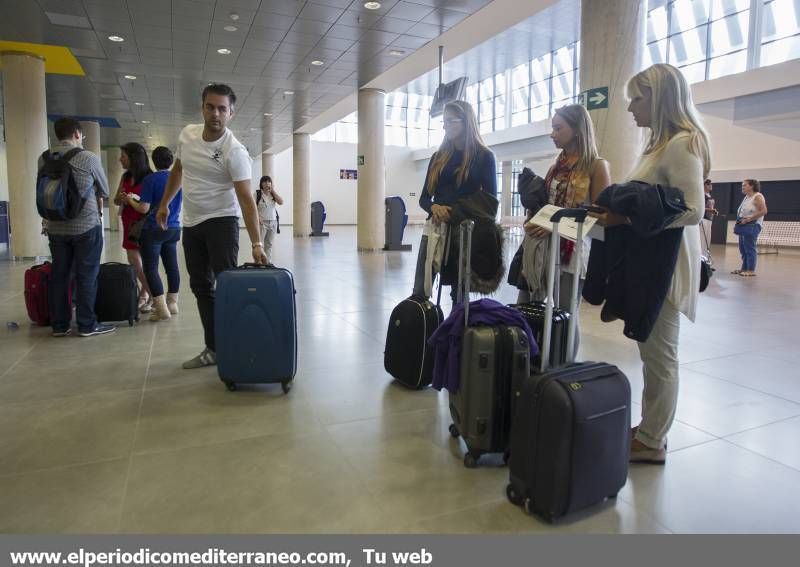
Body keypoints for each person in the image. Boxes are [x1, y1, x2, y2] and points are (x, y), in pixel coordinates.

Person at [594, 63, 711, 464]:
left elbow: (693, 210)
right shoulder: (658, 145)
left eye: (637, 99)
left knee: (661, 353)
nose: (630, 109)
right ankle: (649, 428)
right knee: (651, 349)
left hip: (667, 264)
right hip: (651, 259)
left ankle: (654, 438)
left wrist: (627, 216)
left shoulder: (683, 143)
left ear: (659, 98)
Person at [156, 83, 267, 369]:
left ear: (231, 113)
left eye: (222, 109)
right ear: (202, 107)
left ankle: (237, 347)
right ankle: (214, 348)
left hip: (222, 222)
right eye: (210, 107)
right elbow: (178, 170)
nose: (215, 113)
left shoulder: (235, 152)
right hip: (192, 224)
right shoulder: (188, 135)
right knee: (201, 287)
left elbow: (246, 200)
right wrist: (165, 203)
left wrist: (256, 244)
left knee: (227, 287)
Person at [519, 104, 611, 350]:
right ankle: (530, 362)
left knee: (566, 313)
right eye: (553, 128)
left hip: (572, 251)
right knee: (527, 305)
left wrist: (555, 225)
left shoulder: (596, 166)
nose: (552, 134)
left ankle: (564, 368)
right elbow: (547, 206)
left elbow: (601, 218)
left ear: (578, 130)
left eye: (558, 128)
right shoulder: (554, 167)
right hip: (542, 248)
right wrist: (533, 218)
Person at [418, 100, 497, 302]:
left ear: (466, 121)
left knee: (460, 296)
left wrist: (453, 212)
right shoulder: (438, 157)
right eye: (443, 121)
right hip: (435, 228)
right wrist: (435, 207)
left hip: (465, 233)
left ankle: (457, 333)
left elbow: (490, 203)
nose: (445, 126)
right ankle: (425, 331)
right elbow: (424, 198)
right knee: (421, 288)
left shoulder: (484, 157)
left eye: (450, 121)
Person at [42, 117, 114, 337]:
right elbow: (105, 189)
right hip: (85, 226)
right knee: (86, 275)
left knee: (60, 276)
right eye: (82, 135)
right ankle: (86, 324)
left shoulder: (44, 159)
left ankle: (60, 325)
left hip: (55, 226)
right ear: (76, 134)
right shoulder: (87, 157)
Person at [124, 146, 182, 321]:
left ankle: (161, 308)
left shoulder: (151, 180)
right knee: (172, 266)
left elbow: (144, 208)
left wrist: (130, 200)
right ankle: (173, 303)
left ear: (154, 161)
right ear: (171, 161)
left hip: (153, 229)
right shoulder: (178, 178)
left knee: (151, 268)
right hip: (173, 228)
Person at [113, 142, 153, 312]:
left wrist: (131, 199)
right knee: (134, 259)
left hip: (145, 223)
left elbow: (149, 204)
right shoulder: (125, 177)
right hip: (129, 221)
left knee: (146, 260)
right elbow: (115, 200)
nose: (120, 159)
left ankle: (148, 294)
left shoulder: (149, 178)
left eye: (123, 156)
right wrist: (121, 199)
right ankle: (152, 293)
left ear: (133, 158)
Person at [733, 179, 767, 277]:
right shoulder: (747, 197)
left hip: (752, 225)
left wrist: (749, 219)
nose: (742, 187)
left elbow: (764, 211)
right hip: (743, 225)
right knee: (743, 249)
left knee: (750, 248)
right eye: (742, 185)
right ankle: (744, 268)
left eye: (745, 185)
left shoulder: (757, 197)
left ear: (751, 186)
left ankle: (751, 270)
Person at [255, 175, 283, 264]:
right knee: (260, 245)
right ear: (261, 184)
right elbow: (252, 207)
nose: (267, 184)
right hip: (262, 223)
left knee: (269, 244)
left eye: (269, 182)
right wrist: (258, 217)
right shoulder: (257, 194)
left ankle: (267, 263)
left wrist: (273, 191)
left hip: (273, 222)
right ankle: (259, 262)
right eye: (265, 182)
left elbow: (281, 202)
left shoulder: (273, 194)